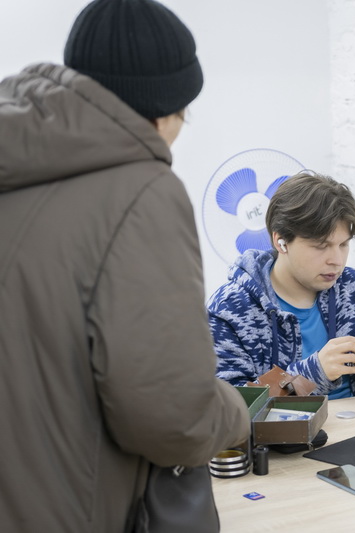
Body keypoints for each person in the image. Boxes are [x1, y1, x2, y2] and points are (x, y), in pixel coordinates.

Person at [0, 1, 250, 531]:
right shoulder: (142, 192)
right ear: (164, 110)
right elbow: (171, 417)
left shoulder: (16, 162)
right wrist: (236, 410)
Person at [207, 171, 355, 397]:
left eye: (343, 245)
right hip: (287, 423)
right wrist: (313, 373)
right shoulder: (230, 309)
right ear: (281, 241)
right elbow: (230, 406)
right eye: (320, 246)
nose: (336, 260)